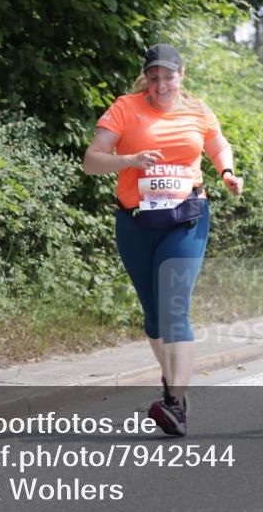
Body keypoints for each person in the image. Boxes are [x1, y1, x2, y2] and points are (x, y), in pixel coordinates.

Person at [83, 44, 243, 436]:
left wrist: (226, 172)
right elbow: (91, 162)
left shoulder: (198, 109)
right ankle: (175, 389)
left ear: (181, 75)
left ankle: (174, 403)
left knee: (174, 310)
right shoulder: (125, 107)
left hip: (185, 218)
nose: (161, 84)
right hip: (135, 222)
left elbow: (218, 144)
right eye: (154, 77)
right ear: (146, 78)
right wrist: (129, 161)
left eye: (168, 76)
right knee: (155, 319)